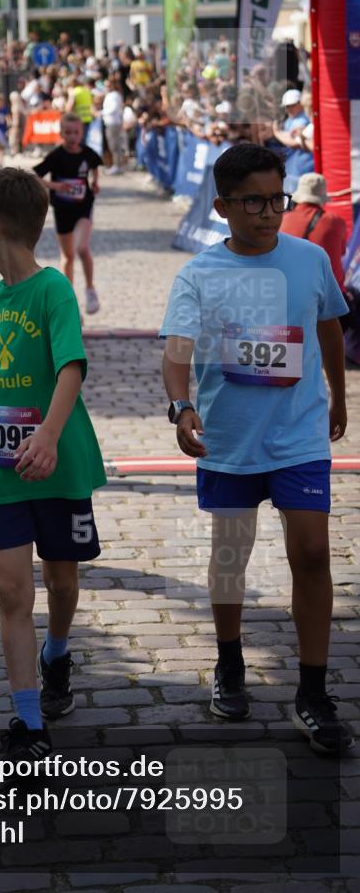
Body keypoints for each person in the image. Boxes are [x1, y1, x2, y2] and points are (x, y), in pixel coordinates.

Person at [161, 143, 353, 756]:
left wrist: (338, 392)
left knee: (314, 552)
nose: (270, 212)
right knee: (231, 555)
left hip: (298, 434)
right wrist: (181, 406)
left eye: (278, 199)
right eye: (255, 201)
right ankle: (229, 663)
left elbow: (328, 324)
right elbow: (177, 352)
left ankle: (314, 691)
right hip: (229, 438)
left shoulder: (309, 259)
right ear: (221, 206)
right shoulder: (197, 275)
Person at [0, 167, 106, 760]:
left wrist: (47, 433)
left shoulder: (53, 290)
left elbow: (70, 365)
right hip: (2, 467)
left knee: (62, 580)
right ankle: (29, 722)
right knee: (11, 589)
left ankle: (57, 651)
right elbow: (14, 368)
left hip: (59, 463)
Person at [34, 112, 102, 315]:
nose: (73, 137)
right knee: (68, 255)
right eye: (68, 132)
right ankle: (69, 301)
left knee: (81, 247)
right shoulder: (56, 156)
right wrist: (55, 186)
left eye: (76, 132)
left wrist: (95, 183)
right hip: (62, 209)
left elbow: (95, 166)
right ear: (61, 133)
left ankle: (90, 289)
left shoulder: (88, 153)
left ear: (82, 133)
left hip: (83, 208)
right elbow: (35, 175)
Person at [281, 172, 348, 292]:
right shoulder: (336, 222)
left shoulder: (281, 221)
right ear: (322, 198)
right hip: (328, 297)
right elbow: (341, 253)